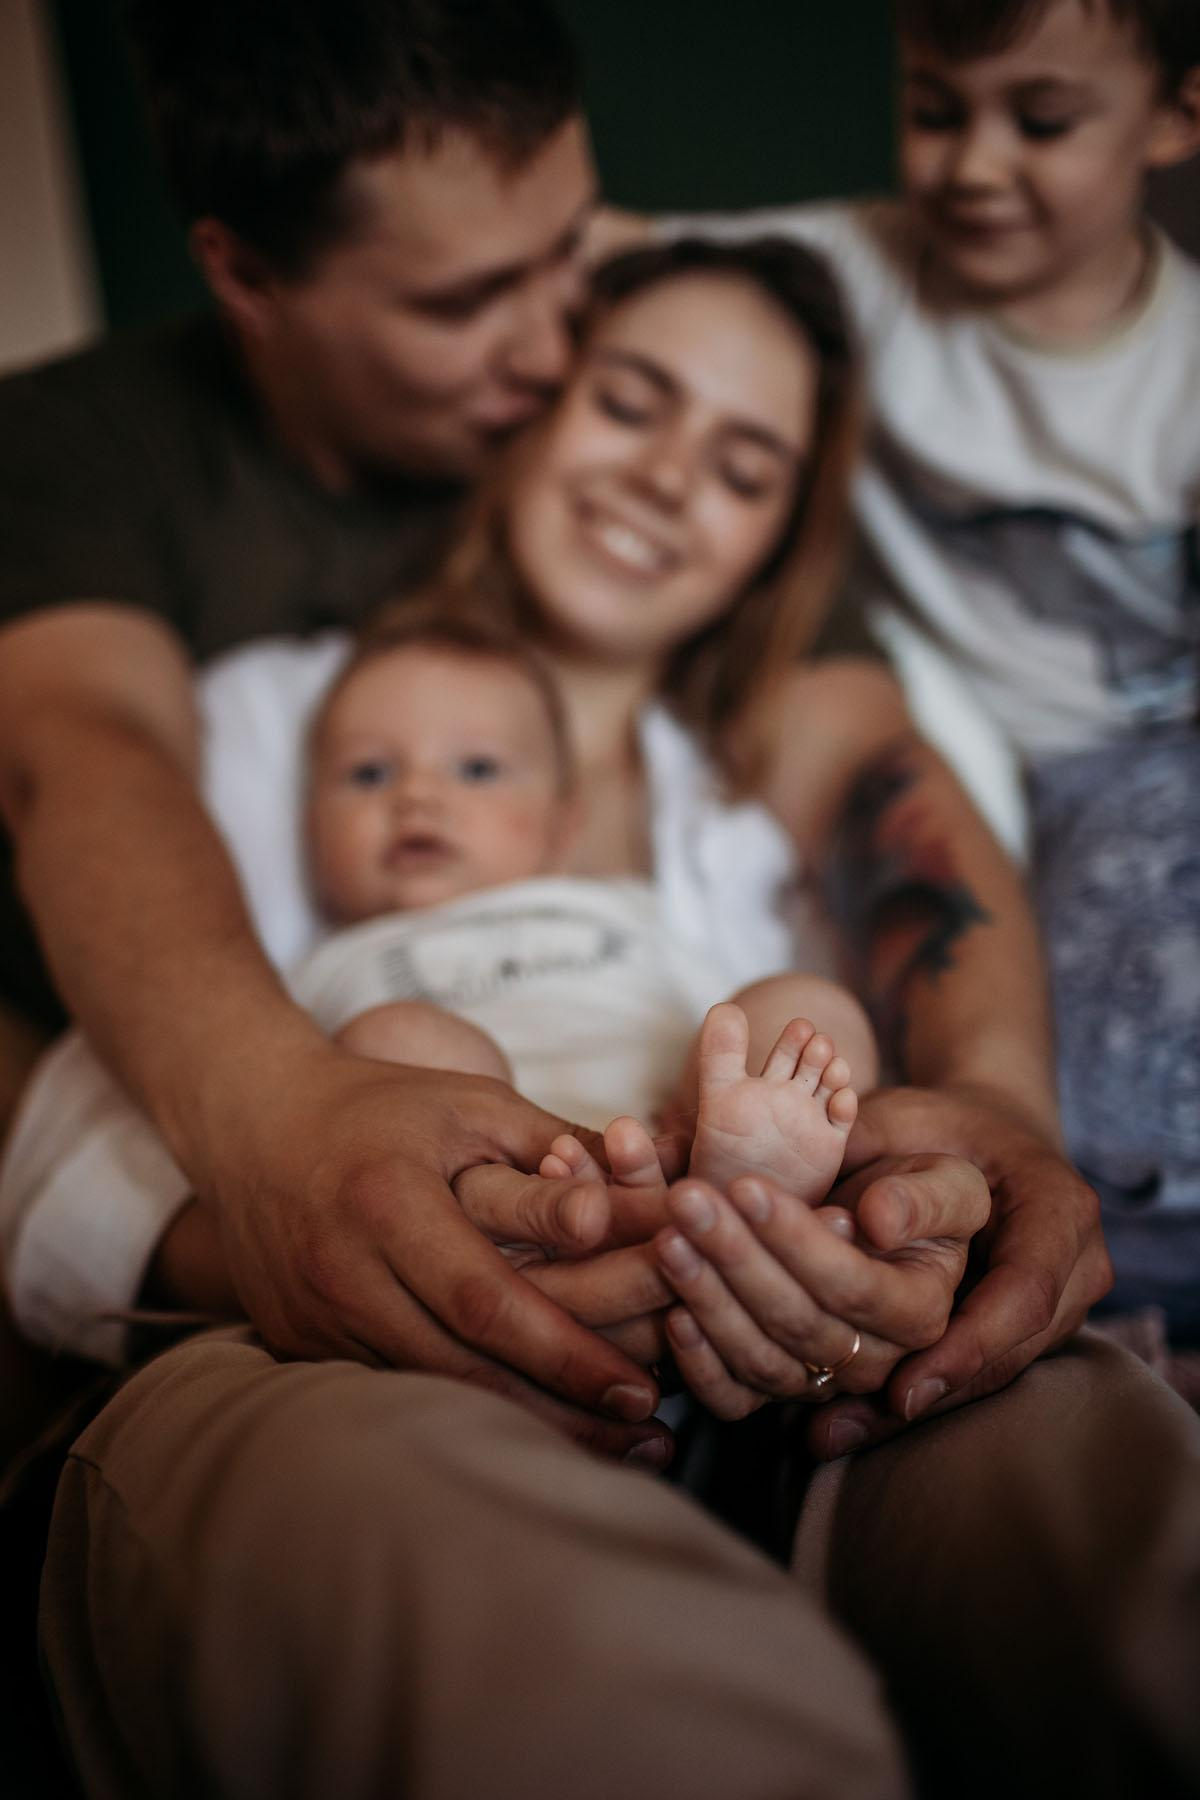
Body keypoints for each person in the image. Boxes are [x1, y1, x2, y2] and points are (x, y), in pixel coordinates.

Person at [8, 235, 1199, 1800]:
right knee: (525, 1630)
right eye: (630, 401)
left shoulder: (755, 803)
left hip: (792, 1340)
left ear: (782, 537)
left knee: (1080, 1497)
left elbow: (888, 1021)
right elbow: (107, 1056)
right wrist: (394, 1252)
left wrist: (886, 1203)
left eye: (744, 464)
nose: (663, 481)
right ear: (529, 402)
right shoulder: (287, 719)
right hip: (352, 1343)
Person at [647, 0, 1200, 1348]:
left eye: (1044, 120)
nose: (973, 166)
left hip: (1163, 751)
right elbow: (588, 260)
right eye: (936, 107)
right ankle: (1140, 1319)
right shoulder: (852, 274)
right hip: (1023, 782)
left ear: (1178, 117)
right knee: (1092, 1052)